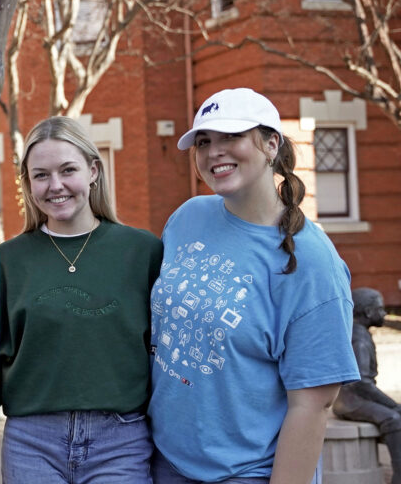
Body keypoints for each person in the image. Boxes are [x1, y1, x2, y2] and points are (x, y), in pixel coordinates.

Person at [148, 88, 360, 483]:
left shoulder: (313, 263)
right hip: (162, 463)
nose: (214, 152)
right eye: (205, 141)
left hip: (245, 473)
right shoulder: (187, 217)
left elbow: (312, 406)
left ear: (270, 144)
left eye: (232, 137)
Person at [0, 116, 163, 483]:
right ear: (28, 184)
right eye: (41, 175)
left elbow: (164, 350)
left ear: (93, 170)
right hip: (32, 441)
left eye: (67, 170)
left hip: (121, 439)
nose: (55, 186)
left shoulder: (142, 251)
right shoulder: (7, 260)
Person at [332, 287, 401, 484]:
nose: (384, 313)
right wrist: (392, 404)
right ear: (368, 312)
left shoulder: (358, 332)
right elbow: (362, 383)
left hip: (350, 397)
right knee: (394, 418)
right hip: (351, 400)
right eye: (380, 309)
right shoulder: (359, 338)